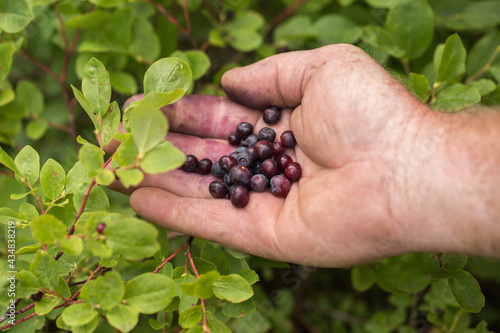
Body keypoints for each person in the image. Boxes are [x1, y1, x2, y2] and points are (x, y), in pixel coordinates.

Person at [108, 44, 500, 268]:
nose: (259, 173)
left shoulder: (274, 162)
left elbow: (262, 166)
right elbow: (251, 167)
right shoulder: (259, 163)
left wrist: (406, 146)